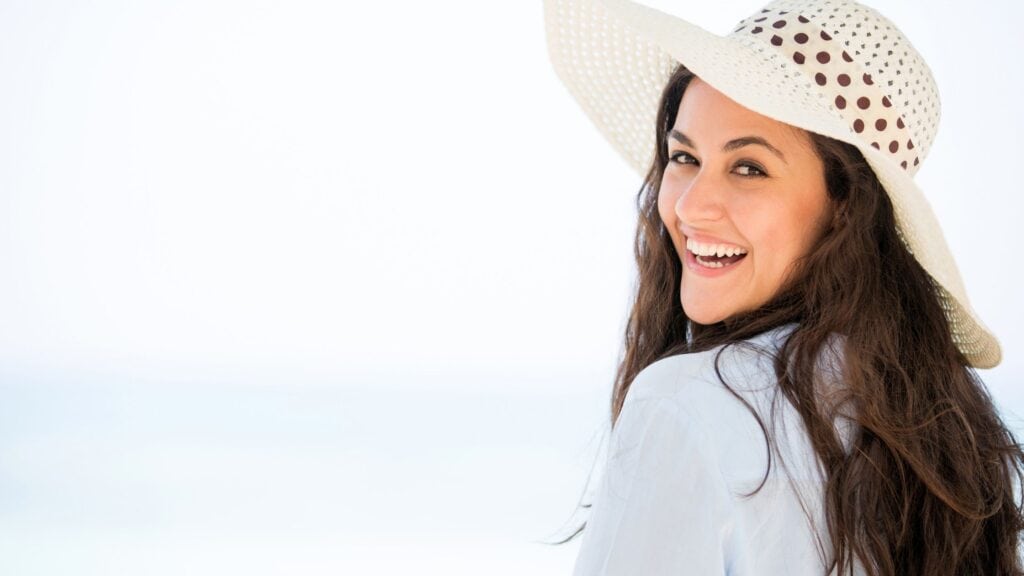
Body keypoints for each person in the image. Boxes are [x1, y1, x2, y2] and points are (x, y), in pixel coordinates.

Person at [542, 0, 1024, 574]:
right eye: (684, 156)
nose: (691, 206)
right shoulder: (947, 439)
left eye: (749, 167)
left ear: (845, 207)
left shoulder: (686, 404)